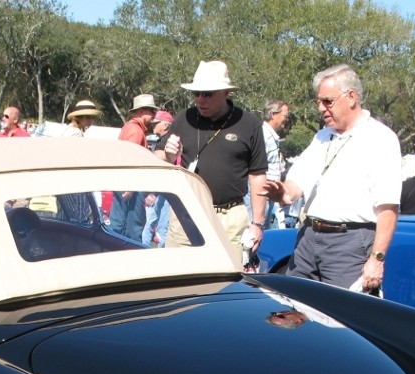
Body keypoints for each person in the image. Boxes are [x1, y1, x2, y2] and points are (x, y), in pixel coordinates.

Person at [267, 63, 401, 294]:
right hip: (308, 237)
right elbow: (298, 181)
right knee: (293, 308)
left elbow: (388, 208)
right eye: (318, 101)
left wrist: (377, 259)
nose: (321, 108)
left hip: (350, 243)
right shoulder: (321, 136)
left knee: (343, 320)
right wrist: (283, 192)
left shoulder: (380, 139)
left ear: (351, 97)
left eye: (327, 101)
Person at [157, 60, 268, 264]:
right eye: (196, 93)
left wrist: (258, 224)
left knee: (225, 287)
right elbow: (157, 157)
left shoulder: (249, 124)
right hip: (186, 214)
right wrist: (169, 155)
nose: (200, 99)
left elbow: (258, 175)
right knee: (177, 280)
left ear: (226, 93)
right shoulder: (184, 118)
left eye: (207, 94)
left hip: (230, 218)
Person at [109, 94, 158, 240]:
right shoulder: (136, 131)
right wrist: (130, 185)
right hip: (131, 184)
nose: (154, 115)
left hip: (123, 182)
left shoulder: (129, 127)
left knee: (118, 222)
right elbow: (130, 158)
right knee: (132, 226)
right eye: (152, 111)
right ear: (142, 111)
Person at [252, 99, 289, 229]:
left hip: (270, 196)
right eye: (285, 116)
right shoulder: (263, 135)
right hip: (261, 196)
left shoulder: (271, 136)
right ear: (273, 114)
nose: (286, 119)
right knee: (256, 234)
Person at [143, 110, 174, 247]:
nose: (153, 126)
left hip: (166, 192)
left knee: (162, 228)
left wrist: (153, 192)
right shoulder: (161, 141)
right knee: (151, 225)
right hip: (160, 192)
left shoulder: (171, 143)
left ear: (166, 126)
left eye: (156, 123)